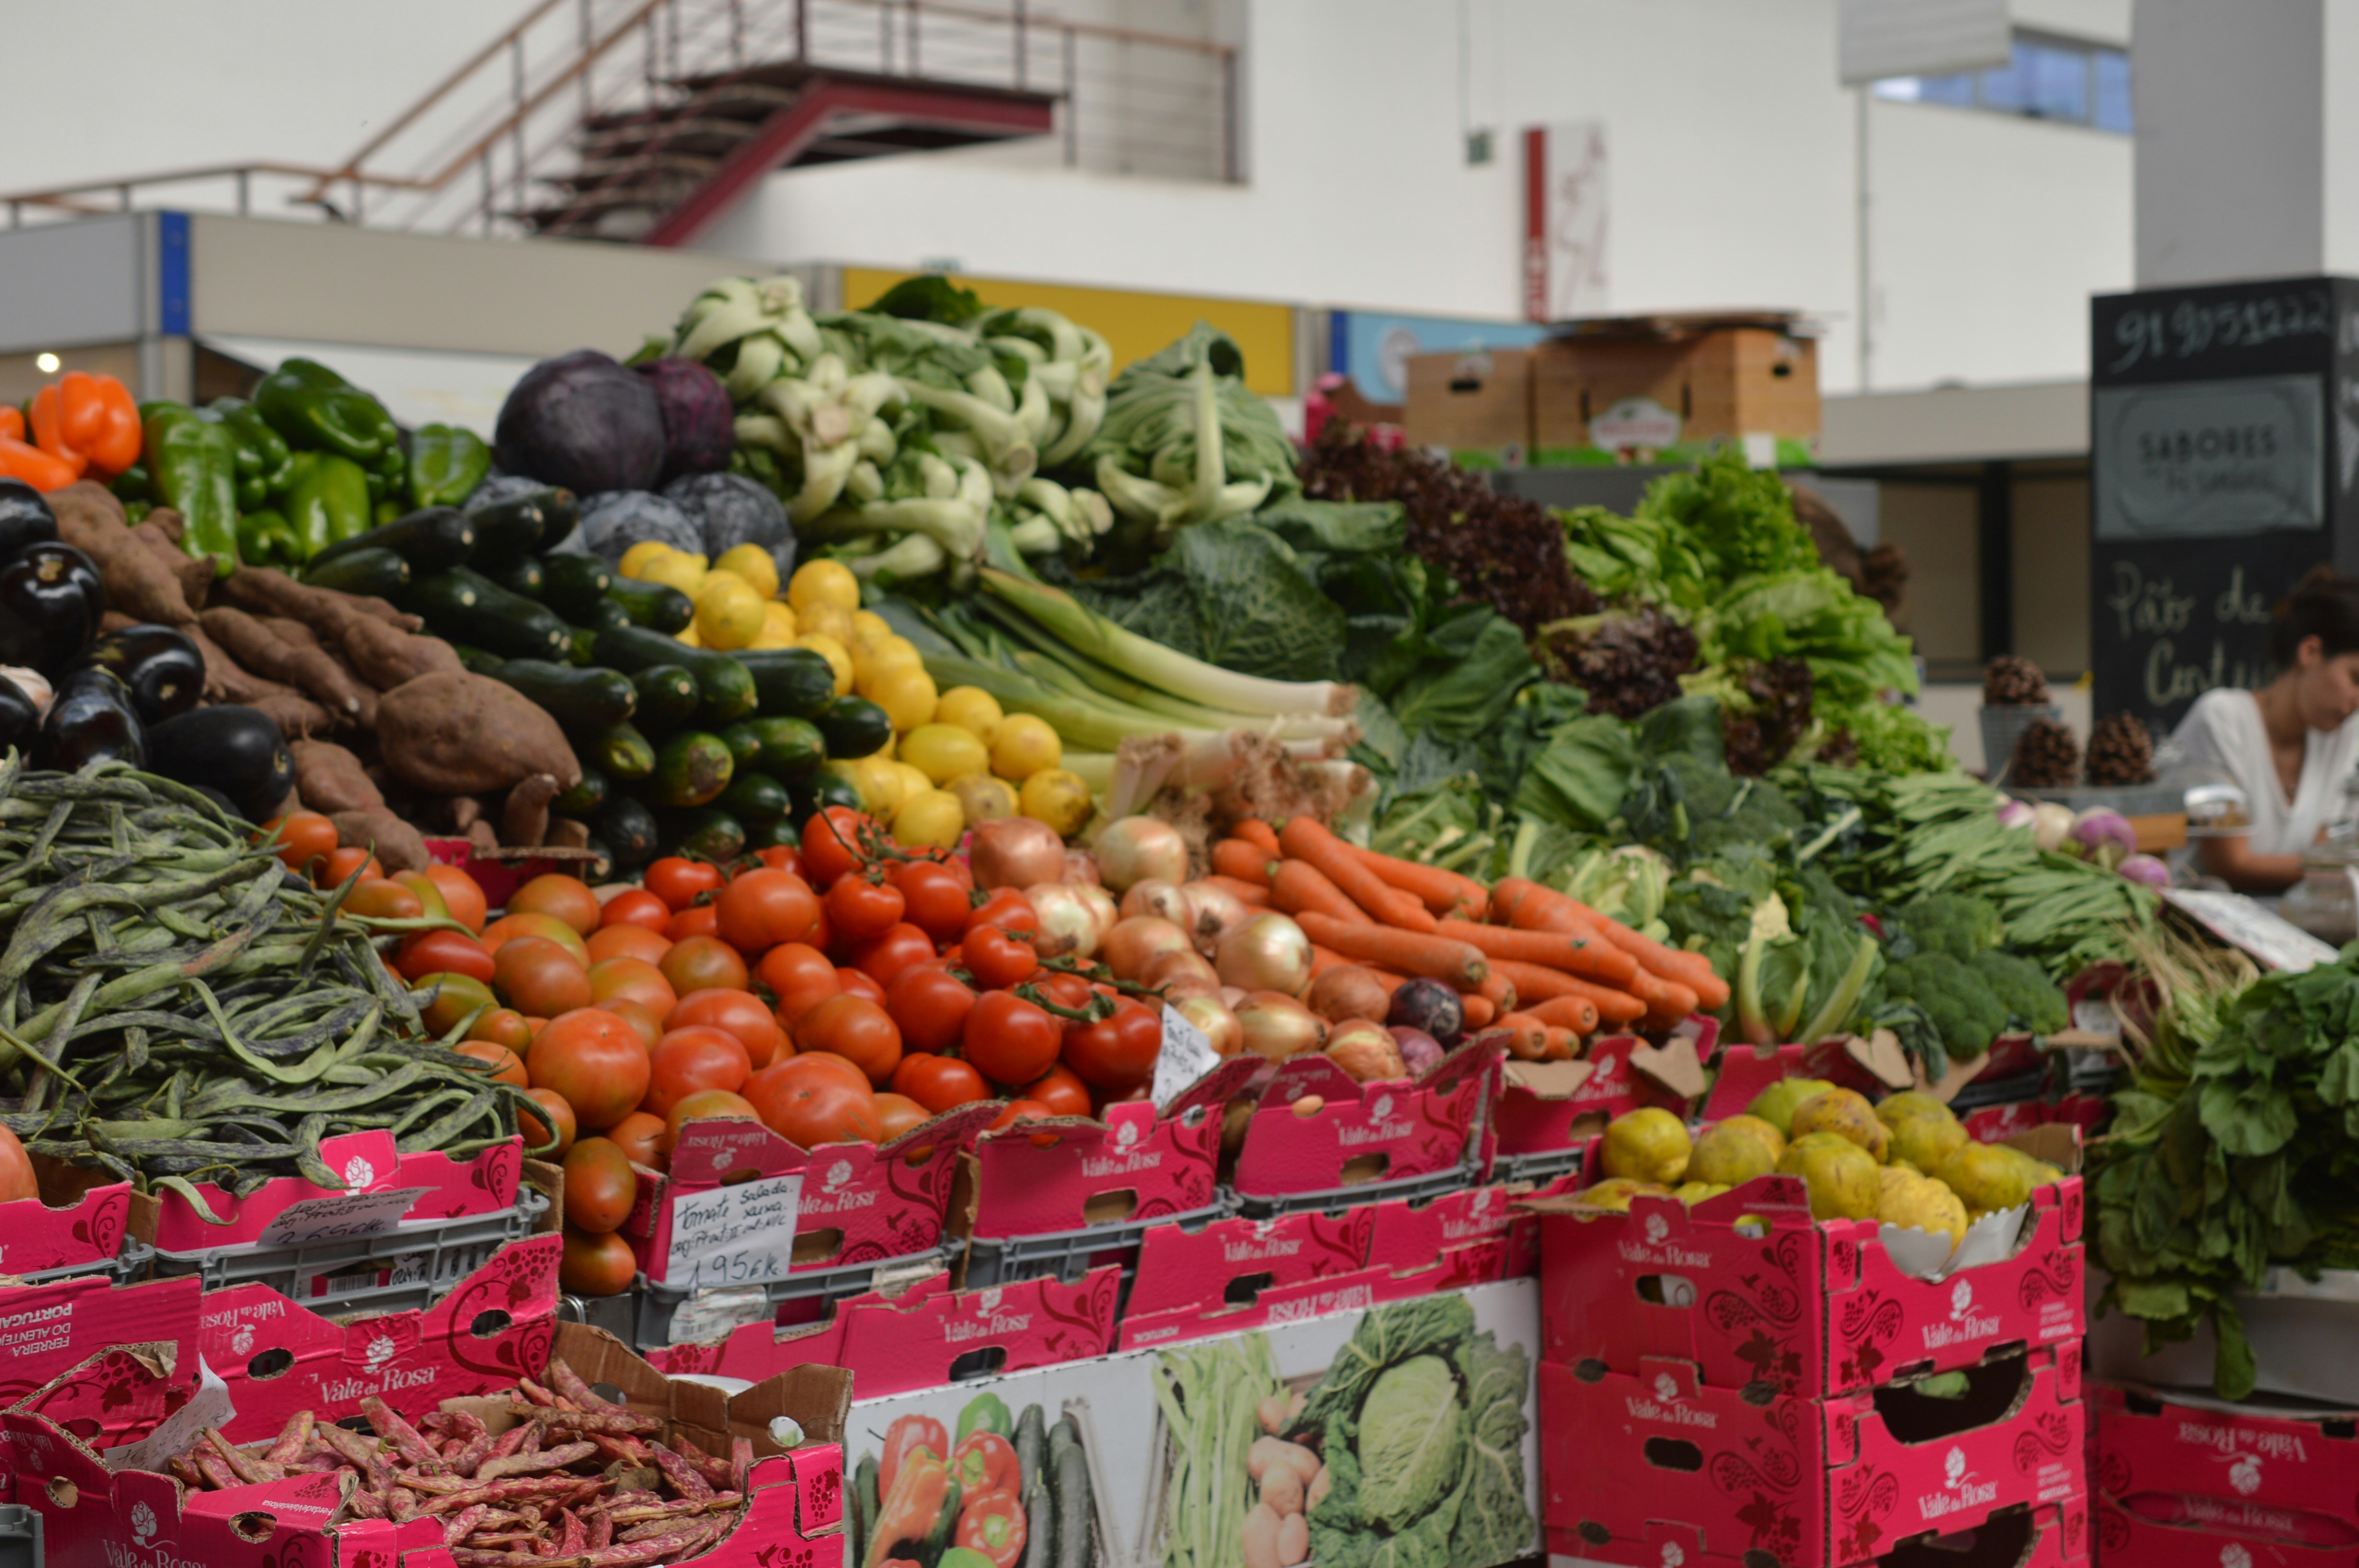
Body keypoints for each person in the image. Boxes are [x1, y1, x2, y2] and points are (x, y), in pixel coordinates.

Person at [2168, 566, 2359, 891]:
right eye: (2356, 679)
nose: (2357, 701)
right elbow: (2232, 865)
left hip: (2289, 928)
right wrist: (2335, 864)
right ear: (2310, 652)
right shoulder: (2222, 719)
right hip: (2195, 930)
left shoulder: (2345, 734)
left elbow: (2332, 853)